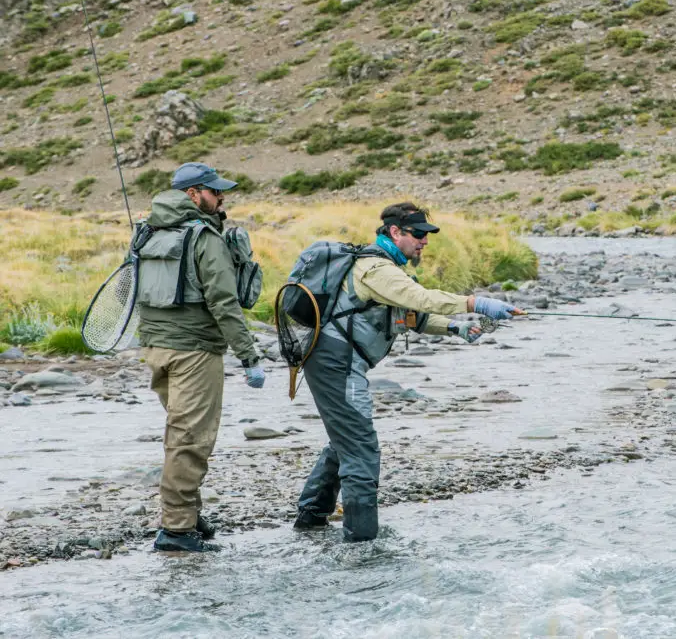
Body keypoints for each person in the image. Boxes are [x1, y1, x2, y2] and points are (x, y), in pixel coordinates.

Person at [293, 202, 522, 542]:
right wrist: (476, 303)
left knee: (347, 435)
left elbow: (410, 315)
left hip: (341, 360)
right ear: (395, 232)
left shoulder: (389, 267)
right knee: (360, 445)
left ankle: (311, 516)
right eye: (418, 235)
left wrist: (456, 328)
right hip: (333, 362)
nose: (424, 242)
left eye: (427, 236)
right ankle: (362, 540)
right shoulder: (376, 269)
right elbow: (420, 298)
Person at [136, 162, 266, 553]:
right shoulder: (204, 237)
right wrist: (249, 357)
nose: (222, 197)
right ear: (194, 194)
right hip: (195, 352)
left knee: (181, 434)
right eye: (215, 191)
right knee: (190, 440)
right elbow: (224, 303)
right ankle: (176, 530)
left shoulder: (148, 230)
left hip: (155, 349)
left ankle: (187, 515)